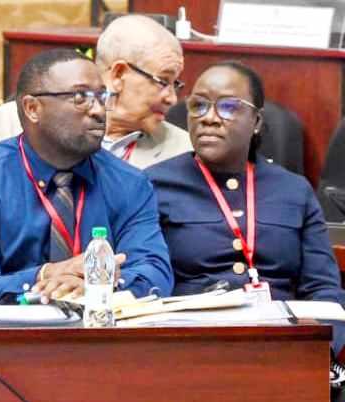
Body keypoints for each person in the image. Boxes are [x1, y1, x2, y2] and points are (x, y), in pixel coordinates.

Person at [0, 49, 173, 305]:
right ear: (32, 108)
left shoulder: (130, 183)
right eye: (81, 97)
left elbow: (155, 273)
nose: (98, 111)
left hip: (102, 325)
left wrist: (101, 282)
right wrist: (45, 276)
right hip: (9, 328)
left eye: (102, 96)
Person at [145, 61, 345, 347]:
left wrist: (322, 353)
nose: (209, 118)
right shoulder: (153, 185)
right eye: (198, 105)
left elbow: (323, 289)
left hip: (283, 346)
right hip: (189, 344)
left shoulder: (294, 191)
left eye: (228, 107)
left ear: (257, 121)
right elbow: (146, 286)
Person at [0, 15, 191, 169]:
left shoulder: (182, 150)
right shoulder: (15, 122)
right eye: (163, 81)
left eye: (175, 84)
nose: (172, 99)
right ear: (118, 75)